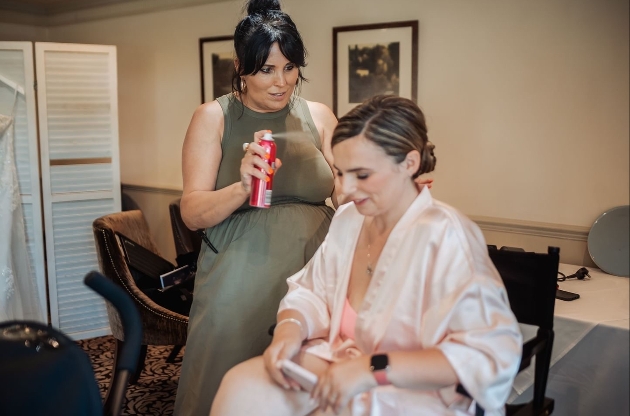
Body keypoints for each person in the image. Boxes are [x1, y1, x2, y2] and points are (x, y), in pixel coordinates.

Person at [209, 95, 522, 416]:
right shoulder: (349, 219)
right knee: (241, 387)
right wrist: (289, 331)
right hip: (338, 358)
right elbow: (310, 292)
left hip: (413, 389)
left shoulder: (447, 236)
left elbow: (490, 353)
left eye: (362, 175)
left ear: (409, 164)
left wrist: (371, 368)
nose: (346, 190)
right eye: (341, 173)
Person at [173, 1, 339, 414]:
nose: (281, 82)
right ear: (241, 66)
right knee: (229, 381)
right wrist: (242, 187)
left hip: (316, 272)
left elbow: (345, 191)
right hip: (240, 274)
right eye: (267, 69)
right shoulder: (214, 116)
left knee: (301, 383)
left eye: (289, 67)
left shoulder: (318, 116)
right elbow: (192, 212)